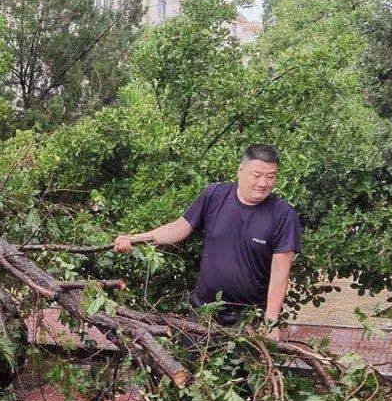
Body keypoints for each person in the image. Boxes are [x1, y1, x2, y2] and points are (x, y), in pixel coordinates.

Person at [113, 144, 301, 340]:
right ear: (240, 171)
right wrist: (135, 239)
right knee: (187, 368)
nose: (263, 183)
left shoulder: (284, 215)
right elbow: (179, 228)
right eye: (257, 175)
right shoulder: (215, 195)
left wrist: (270, 322)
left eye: (271, 177)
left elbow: (280, 272)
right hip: (203, 312)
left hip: (247, 319)